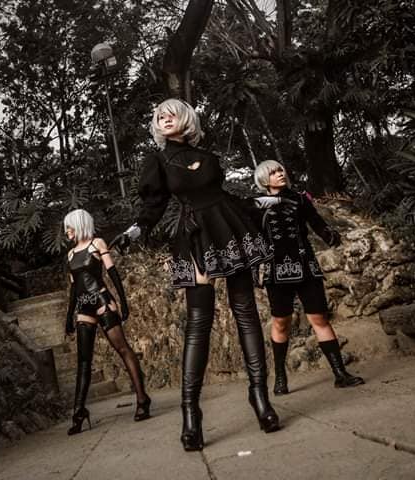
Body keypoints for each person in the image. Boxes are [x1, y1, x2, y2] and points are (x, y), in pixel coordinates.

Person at [113, 98, 281, 451]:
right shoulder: (158, 160)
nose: (164, 118)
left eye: (171, 113)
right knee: (198, 323)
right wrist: (135, 231)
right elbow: (153, 205)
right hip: (195, 236)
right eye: (159, 116)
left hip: (227, 226)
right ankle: (191, 414)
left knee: (246, 313)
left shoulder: (208, 157)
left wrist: (259, 202)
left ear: (186, 118)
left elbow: (222, 196)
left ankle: (260, 399)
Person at [252, 160, 364, 395]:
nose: (280, 174)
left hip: (306, 266)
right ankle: (280, 377)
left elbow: (317, 223)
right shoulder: (256, 205)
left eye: (280, 170)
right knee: (281, 322)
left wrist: (330, 236)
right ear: (263, 179)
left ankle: (340, 374)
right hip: (276, 270)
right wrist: (254, 269)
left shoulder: (300, 199)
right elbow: (254, 239)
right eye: (273, 172)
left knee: (319, 318)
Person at [63, 208, 151, 435]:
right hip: (83, 307)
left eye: (69, 227)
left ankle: (142, 399)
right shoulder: (70, 255)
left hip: (102, 301)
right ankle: (79, 412)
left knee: (122, 349)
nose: (67, 231)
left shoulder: (97, 244)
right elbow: (73, 288)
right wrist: (69, 316)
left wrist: (123, 302)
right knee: (83, 361)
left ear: (79, 224)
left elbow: (112, 274)